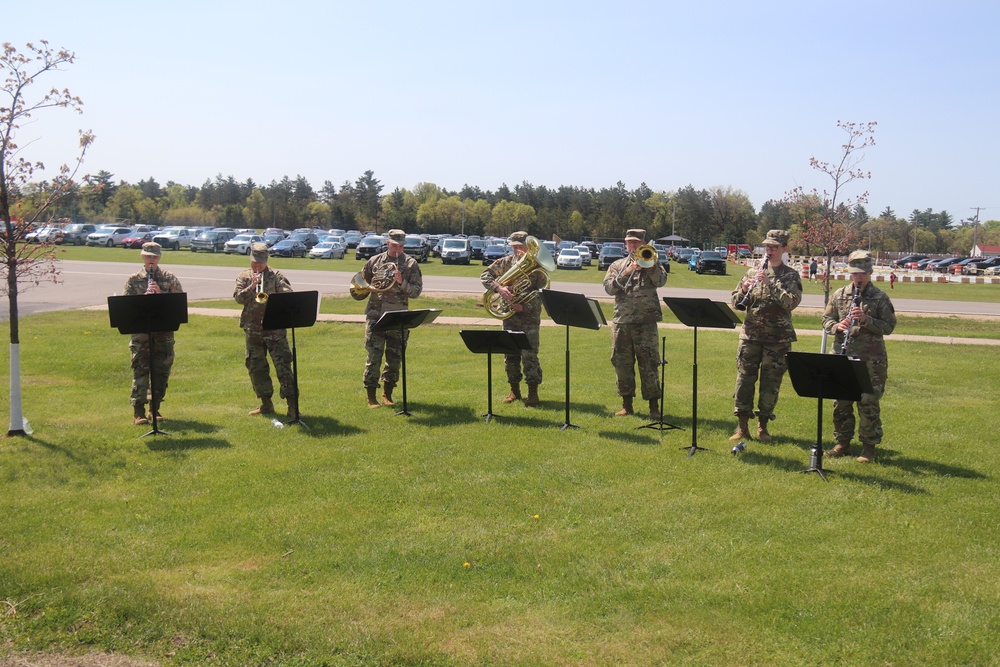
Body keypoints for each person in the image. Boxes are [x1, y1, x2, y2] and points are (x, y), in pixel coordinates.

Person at [823, 250, 896, 463]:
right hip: (842, 357)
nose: (859, 277)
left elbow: (890, 326)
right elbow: (826, 320)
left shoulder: (880, 297)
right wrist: (837, 326)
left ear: (871, 272)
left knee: (868, 403)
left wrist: (866, 320)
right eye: (855, 273)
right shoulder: (840, 295)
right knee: (841, 402)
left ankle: (869, 447)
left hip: (871, 360)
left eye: (863, 273)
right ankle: (843, 443)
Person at [729, 229, 802, 442]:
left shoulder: (790, 275)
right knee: (744, 380)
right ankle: (742, 427)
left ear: (784, 249)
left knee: (771, 383)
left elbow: (791, 302)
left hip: (777, 339)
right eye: (767, 247)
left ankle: (763, 426)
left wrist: (771, 285)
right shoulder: (752, 273)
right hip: (751, 335)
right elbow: (736, 302)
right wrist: (743, 289)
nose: (769, 251)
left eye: (774, 247)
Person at [603, 229, 668, 418]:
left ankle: (654, 408)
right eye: (629, 242)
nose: (633, 245)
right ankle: (626, 405)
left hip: (646, 323)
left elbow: (661, 281)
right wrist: (628, 272)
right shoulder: (617, 265)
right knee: (622, 364)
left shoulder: (652, 262)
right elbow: (608, 288)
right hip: (622, 322)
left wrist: (649, 266)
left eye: (636, 242)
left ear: (643, 243)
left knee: (649, 364)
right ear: (625, 244)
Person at [480, 231, 546, 406]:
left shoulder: (537, 268)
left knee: (530, 357)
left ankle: (533, 394)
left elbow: (542, 296)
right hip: (509, 318)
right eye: (514, 247)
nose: (517, 250)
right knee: (510, 356)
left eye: (520, 247)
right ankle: (514, 391)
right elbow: (485, 276)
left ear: (528, 247)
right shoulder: (505, 263)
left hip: (529, 320)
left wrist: (524, 307)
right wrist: (499, 288)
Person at [122, 242, 184, 425]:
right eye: (148, 256)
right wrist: (143, 300)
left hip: (163, 332)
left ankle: (154, 409)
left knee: (161, 371)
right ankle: (138, 411)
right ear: (142, 256)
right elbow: (125, 307)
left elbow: (179, 303)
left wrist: (161, 293)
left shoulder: (169, 277)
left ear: (159, 258)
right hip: (141, 332)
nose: (151, 260)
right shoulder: (134, 280)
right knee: (141, 369)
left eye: (155, 257)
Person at [360, 229, 423, 408]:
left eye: (401, 246)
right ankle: (371, 396)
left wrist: (402, 281)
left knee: (394, 358)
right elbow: (361, 284)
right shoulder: (374, 261)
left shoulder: (411, 264)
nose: (398, 249)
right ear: (387, 243)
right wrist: (371, 286)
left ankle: (387, 394)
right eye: (394, 245)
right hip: (376, 316)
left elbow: (416, 291)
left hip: (398, 317)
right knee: (374, 356)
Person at [233, 243, 296, 418]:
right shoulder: (244, 276)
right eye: (254, 262)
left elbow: (288, 295)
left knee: (283, 367)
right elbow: (238, 298)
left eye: (260, 262)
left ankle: (292, 406)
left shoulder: (276, 276)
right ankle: (266, 404)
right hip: (253, 330)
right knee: (256, 367)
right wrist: (251, 287)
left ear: (266, 260)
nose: (257, 266)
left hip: (274, 330)